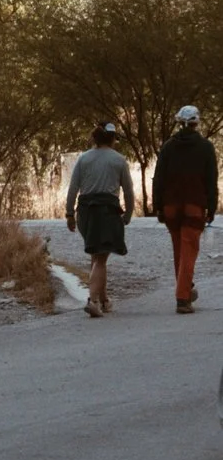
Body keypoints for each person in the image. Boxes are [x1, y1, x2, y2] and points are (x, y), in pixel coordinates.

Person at [151, 106, 217, 315]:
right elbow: (211, 181)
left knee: (179, 249)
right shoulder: (206, 147)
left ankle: (186, 287)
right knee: (189, 251)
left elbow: (159, 178)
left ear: (179, 123)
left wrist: (158, 206)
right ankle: (182, 298)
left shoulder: (168, 147)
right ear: (196, 123)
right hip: (194, 205)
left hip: (170, 205)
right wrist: (212, 207)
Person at [66, 121, 135, 318]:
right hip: (107, 211)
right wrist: (128, 214)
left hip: (85, 212)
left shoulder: (83, 159)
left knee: (96, 254)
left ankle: (104, 300)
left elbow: (73, 188)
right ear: (113, 139)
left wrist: (69, 213)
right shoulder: (119, 160)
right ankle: (93, 301)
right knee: (101, 257)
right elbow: (128, 190)